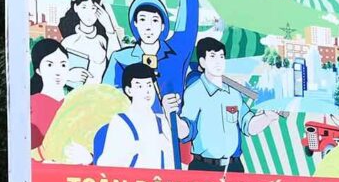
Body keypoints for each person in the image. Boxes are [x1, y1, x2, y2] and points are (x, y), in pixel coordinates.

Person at [178, 37, 252, 173]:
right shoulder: (194, 91)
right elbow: (187, 129)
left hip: (234, 167)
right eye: (212, 56)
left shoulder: (234, 92)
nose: (218, 61)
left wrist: (268, 116)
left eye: (221, 57)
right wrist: (172, 117)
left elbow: (248, 124)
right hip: (203, 167)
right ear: (202, 62)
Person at [88, 63, 173, 170]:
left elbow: (172, 164)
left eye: (149, 85)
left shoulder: (162, 122)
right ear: (129, 90)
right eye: (140, 86)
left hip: (159, 179)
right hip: (131, 179)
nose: (147, 91)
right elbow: (106, 164)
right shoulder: (120, 122)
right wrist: (133, 149)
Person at [55, 0, 119, 87]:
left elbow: (117, 62)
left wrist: (109, 28)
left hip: (100, 94)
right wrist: (68, 76)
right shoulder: (68, 42)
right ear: (76, 7)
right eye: (84, 7)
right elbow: (55, 72)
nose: (89, 13)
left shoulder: (102, 40)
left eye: (93, 8)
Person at [28, 38, 82, 155]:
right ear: (38, 70)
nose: (58, 72)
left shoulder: (76, 104)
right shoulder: (31, 104)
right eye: (50, 65)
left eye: (63, 65)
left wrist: (88, 157)